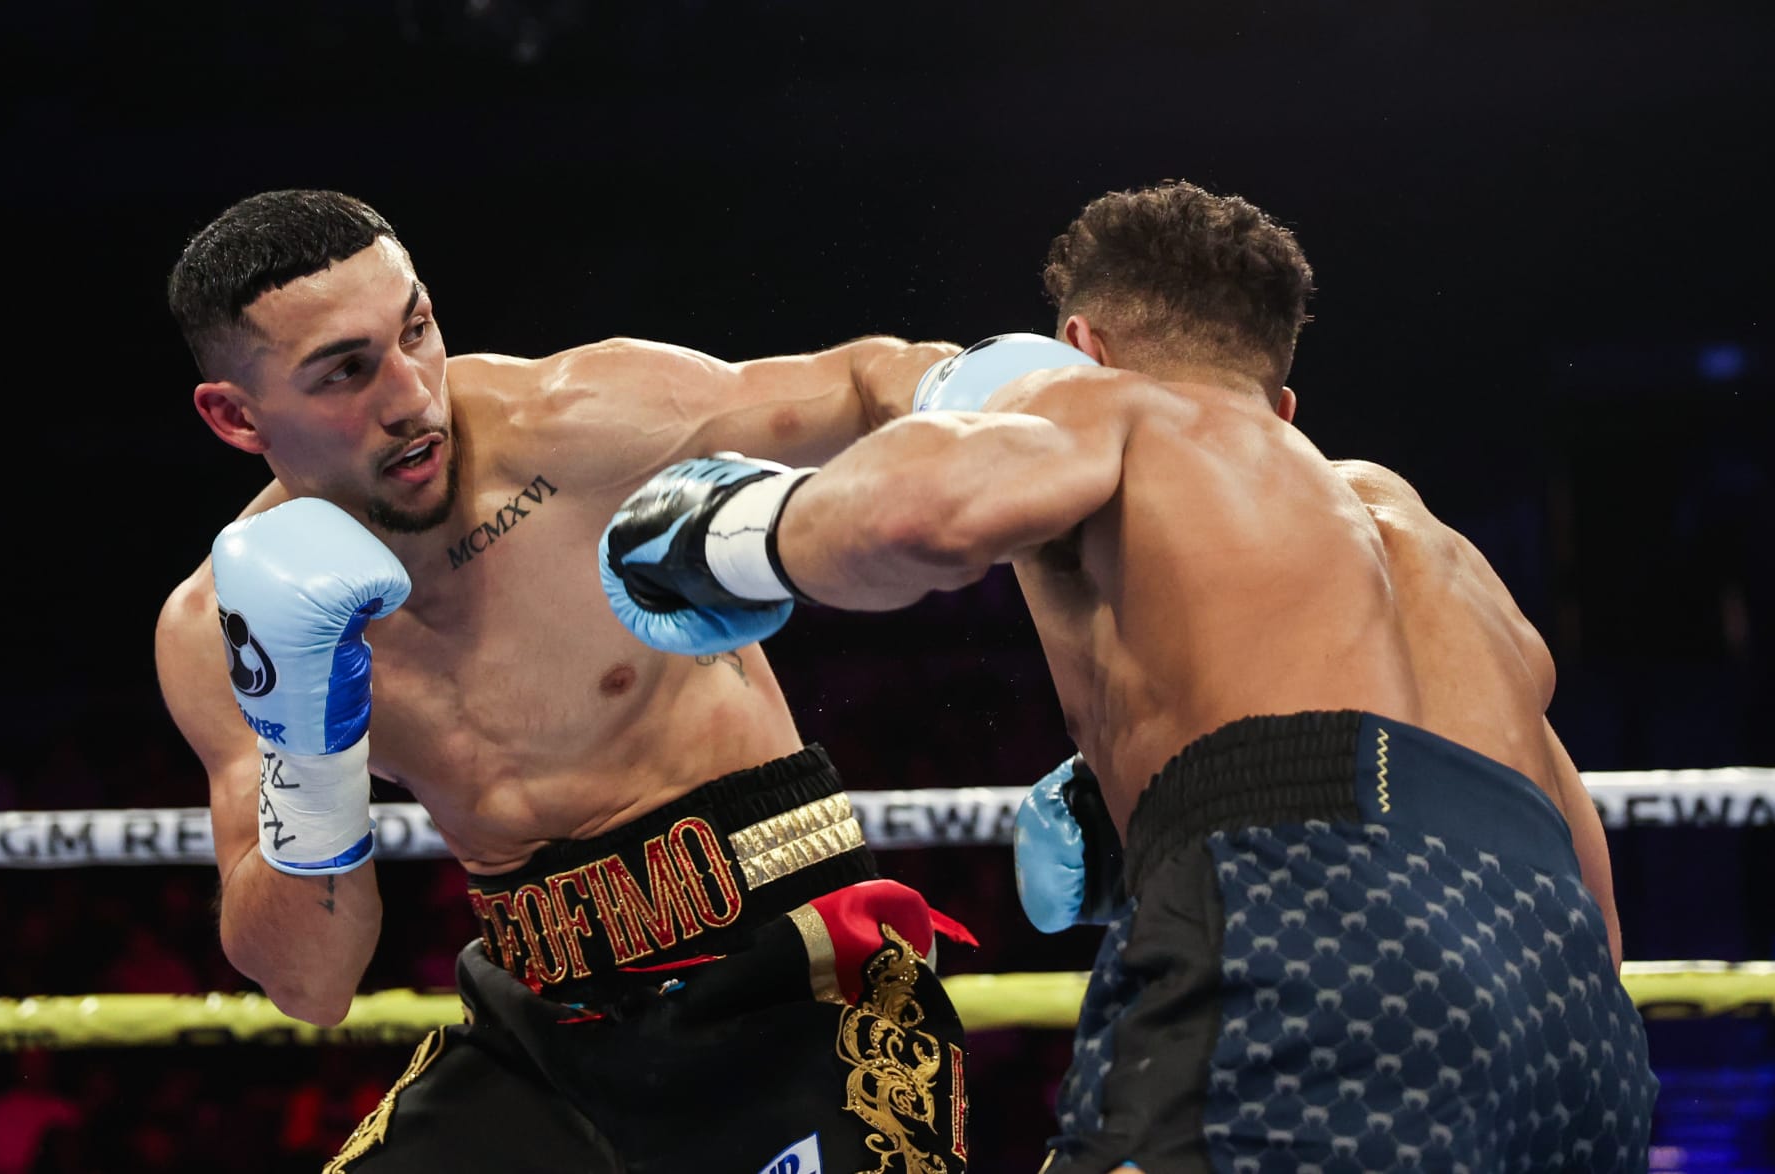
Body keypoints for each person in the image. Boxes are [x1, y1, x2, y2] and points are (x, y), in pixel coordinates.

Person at [600, 179, 1659, 1172]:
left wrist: (721, 532)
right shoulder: (1449, 559)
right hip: (1574, 1029)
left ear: (1079, 348)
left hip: (1313, 929)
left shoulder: (1116, 407)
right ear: (1281, 403)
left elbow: (918, 513)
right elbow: (1595, 913)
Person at [154, 188, 976, 1173]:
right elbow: (311, 983)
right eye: (346, 370)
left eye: (417, 330)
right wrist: (306, 752)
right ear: (236, 417)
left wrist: (1012, 394)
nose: (414, 395)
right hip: (539, 1030)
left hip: (791, 972)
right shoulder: (217, 632)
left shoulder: (584, 428)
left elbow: (871, 379)